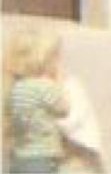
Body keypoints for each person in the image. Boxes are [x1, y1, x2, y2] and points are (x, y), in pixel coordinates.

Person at [4, 27, 69, 174]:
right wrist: (59, 84)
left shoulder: (17, 87)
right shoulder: (44, 87)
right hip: (43, 156)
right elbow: (64, 109)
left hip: (20, 155)